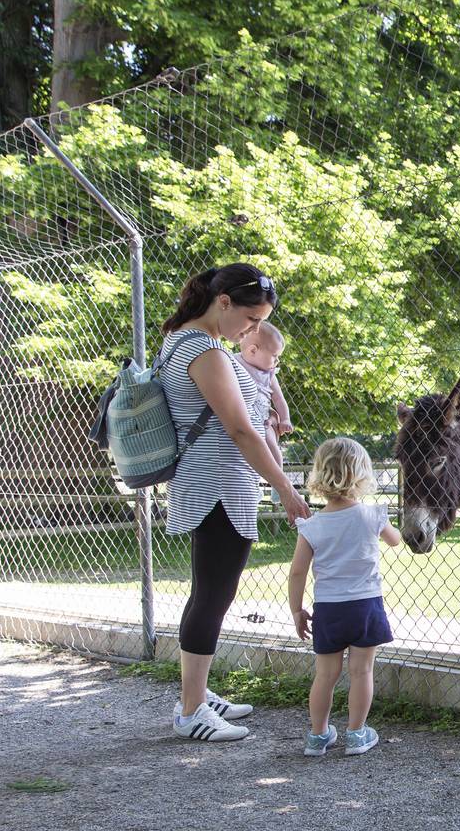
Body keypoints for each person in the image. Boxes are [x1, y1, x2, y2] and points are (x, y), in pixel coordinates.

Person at [161, 263, 312, 743]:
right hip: (218, 485)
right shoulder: (205, 351)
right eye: (250, 320)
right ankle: (191, 712)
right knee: (213, 595)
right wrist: (286, 489)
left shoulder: (182, 341)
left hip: (211, 482)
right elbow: (242, 429)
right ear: (222, 302)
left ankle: (198, 694)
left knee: (208, 592)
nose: (253, 330)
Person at [289, 437, 402, 756]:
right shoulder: (372, 516)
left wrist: (297, 610)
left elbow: (297, 572)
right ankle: (356, 733)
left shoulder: (312, 526)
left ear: (320, 476)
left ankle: (318, 736)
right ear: (361, 475)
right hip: (365, 607)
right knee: (361, 671)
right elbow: (395, 541)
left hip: (328, 610)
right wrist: (385, 525)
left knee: (325, 674)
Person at [236, 321, 293, 473]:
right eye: (275, 356)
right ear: (253, 350)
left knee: (271, 446)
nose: (277, 361)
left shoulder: (269, 375)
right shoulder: (233, 363)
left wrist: (285, 419)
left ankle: (278, 477)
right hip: (240, 419)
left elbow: (279, 399)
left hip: (264, 420)